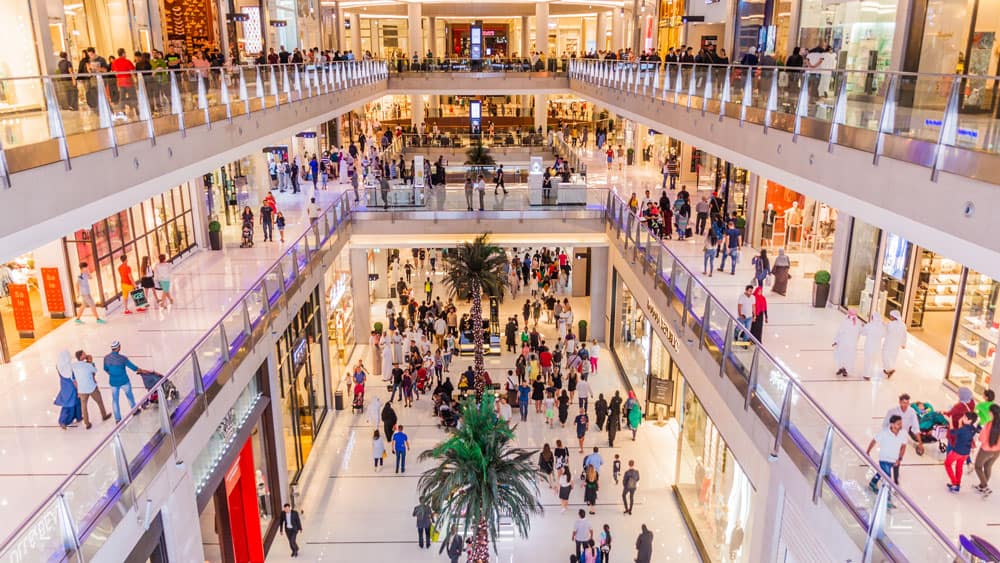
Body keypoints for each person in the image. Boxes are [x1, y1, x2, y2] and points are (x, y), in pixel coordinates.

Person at [867, 414, 907, 506]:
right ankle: (887, 500)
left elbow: (903, 446)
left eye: (901, 424)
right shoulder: (884, 433)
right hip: (884, 459)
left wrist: (899, 459)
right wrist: (868, 451)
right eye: (898, 424)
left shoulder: (903, 433)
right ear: (892, 424)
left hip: (894, 460)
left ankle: (873, 483)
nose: (900, 426)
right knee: (888, 479)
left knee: (881, 473)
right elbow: (874, 441)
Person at [103, 341, 147, 422]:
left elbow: (105, 369)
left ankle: (117, 419)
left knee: (115, 400)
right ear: (118, 348)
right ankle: (134, 410)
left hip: (113, 382)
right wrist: (142, 370)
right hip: (124, 381)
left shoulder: (106, 358)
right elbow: (133, 367)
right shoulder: (123, 358)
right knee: (129, 396)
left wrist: (113, 374)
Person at [72, 349, 110, 429]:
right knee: (99, 401)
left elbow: (73, 377)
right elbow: (94, 371)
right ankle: (104, 415)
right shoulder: (88, 365)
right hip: (92, 388)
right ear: (81, 356)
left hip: (82, 390)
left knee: (84, 407)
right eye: (84, 354)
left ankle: (87, 423)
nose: (86, 354)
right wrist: (91, 361)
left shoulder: (74, 366)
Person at [884, 393, 924, 459]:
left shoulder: (911, 412)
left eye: (907, 403)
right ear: (899, 402)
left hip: (903, 436)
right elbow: (885, 425)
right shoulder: (892, 411)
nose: (905, 405)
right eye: (904, 403)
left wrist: (920, 443)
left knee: (899, 457)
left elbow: (916, 427)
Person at [946, 412, 978, 492]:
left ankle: (954, 483)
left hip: (957, 451)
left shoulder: (963, 429)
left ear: (969, 420)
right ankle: (957, 484)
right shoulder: (973, 429)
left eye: (964, 417)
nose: (962, 418)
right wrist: (961, 422)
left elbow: (953, 433)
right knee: (959, 466)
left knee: (947, 464)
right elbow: (962, 433)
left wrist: (950, 422)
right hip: (966, 453)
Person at [973, 403, 1000, 497]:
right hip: (997, 451)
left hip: (986, 450)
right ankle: (982, 486)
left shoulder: (989, 424)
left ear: (992, 413)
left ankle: (985, 487)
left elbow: (981, 438)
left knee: (978, 466)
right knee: (988, 466)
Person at [54, 351, 82, 429]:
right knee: (76, 403)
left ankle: (64, 421)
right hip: (72, 389)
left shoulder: (58, 366)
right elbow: (74, 381)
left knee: (67, 405)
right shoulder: (69, 368)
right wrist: (78, 390)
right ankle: (72, 418)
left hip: (64, 388)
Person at [833, 310, 861, 377]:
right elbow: (840, 332)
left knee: (847, 357)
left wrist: (836, 340)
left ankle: (845, 369)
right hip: (846, 343)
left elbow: (839, 332)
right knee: (843, 356)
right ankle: (841, 368)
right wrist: (836, 341)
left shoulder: (855, 322)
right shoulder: (851, 322)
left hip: (848, 343)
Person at [882, 310, 907, 377]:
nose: (890, 317)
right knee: (893, 357)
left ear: (894, 316)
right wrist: (903, 344)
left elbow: (885, 330)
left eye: (891, 316)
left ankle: (890, 369)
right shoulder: (903, 324)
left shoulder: (890, 324)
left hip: (889, 343)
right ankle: (888, 370)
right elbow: (904, 335)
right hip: (896, 344)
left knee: (885, 355)